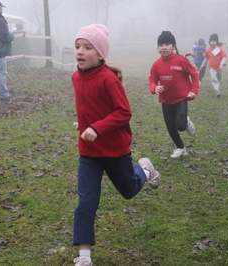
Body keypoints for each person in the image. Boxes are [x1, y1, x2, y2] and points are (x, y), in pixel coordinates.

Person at [72, 24, 160, 266]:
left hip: (114, 150)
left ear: (100, 54)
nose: (80, 51)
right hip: (88, 153)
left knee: (129, 191)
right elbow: (87, 107)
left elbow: (124, 112)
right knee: (86, 202)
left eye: (87, 47)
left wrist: (97, 127)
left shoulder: (109, 80)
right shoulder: (76, 77)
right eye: (77, 46)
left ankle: (144, 170)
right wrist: (84, 125)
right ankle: (84, 256)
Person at [148, 31, 199, 158]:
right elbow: (152, 80)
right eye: (160, 45)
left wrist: (194, 91)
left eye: (167, 44)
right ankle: (181, 148)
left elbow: (194, 74)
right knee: (170, 127)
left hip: (181, 98)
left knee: (180, 126)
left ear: (174, 46)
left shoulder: (181, 61)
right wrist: (155, 88)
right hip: (166, 100)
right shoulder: (156, 65)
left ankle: (186, 122)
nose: (163, 47)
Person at [200, 33, 227, 98]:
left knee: (219, 78)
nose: (213, 43)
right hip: (212, 67)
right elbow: (206, 58)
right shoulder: (208, 50)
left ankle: (217, 84)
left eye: (214, 41)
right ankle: (217, 92)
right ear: (209, 42)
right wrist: (203, 64)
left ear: (217, 42)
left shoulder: (220, 49)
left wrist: (221, 64)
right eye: (212, 41)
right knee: (213, 79)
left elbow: (225, 57)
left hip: (219, 67)